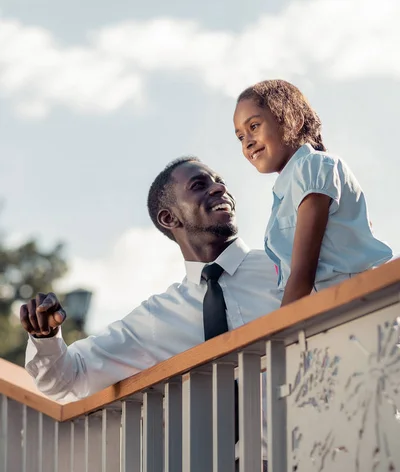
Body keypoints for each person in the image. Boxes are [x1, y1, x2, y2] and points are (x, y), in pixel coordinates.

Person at [21, 156, 280, 470]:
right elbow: (66, 379)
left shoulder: (286, 267)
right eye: (200, 185)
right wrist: (46, 337)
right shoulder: (155, 320)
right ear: (169, 218)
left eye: (218, 181)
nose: (220, 188)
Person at [233, 79, 393, 307]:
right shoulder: (283, 194)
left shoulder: (313, 166)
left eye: (254, 126)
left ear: (294, 121)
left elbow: (302, 273)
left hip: (351, 310)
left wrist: (282, 335)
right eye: (240, 137)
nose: (247, 142)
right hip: (325, 315)